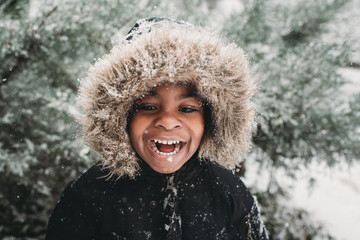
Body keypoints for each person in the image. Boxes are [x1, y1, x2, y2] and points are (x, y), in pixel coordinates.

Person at [45, 17, 269, 240]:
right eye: (149, 106)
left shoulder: (227, 193)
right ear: (121, 117)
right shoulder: (89, 197)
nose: (168, 121)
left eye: (187, 109)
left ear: (211, 119)